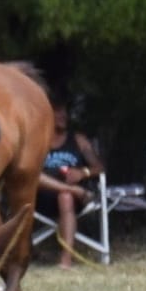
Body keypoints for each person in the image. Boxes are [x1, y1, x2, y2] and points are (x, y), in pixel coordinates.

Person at [37, 101, 105, 270]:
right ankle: (70, 190)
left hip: (76, 200)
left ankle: (66, 259)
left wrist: (83, 173)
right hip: (43, 198)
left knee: (66, 197)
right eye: (58, 111)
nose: (63, 115)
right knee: (41, 180)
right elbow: (32, 175)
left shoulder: (78, 140)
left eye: (64, 111)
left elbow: (100, 168)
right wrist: (73, 189)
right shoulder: (38, 141)